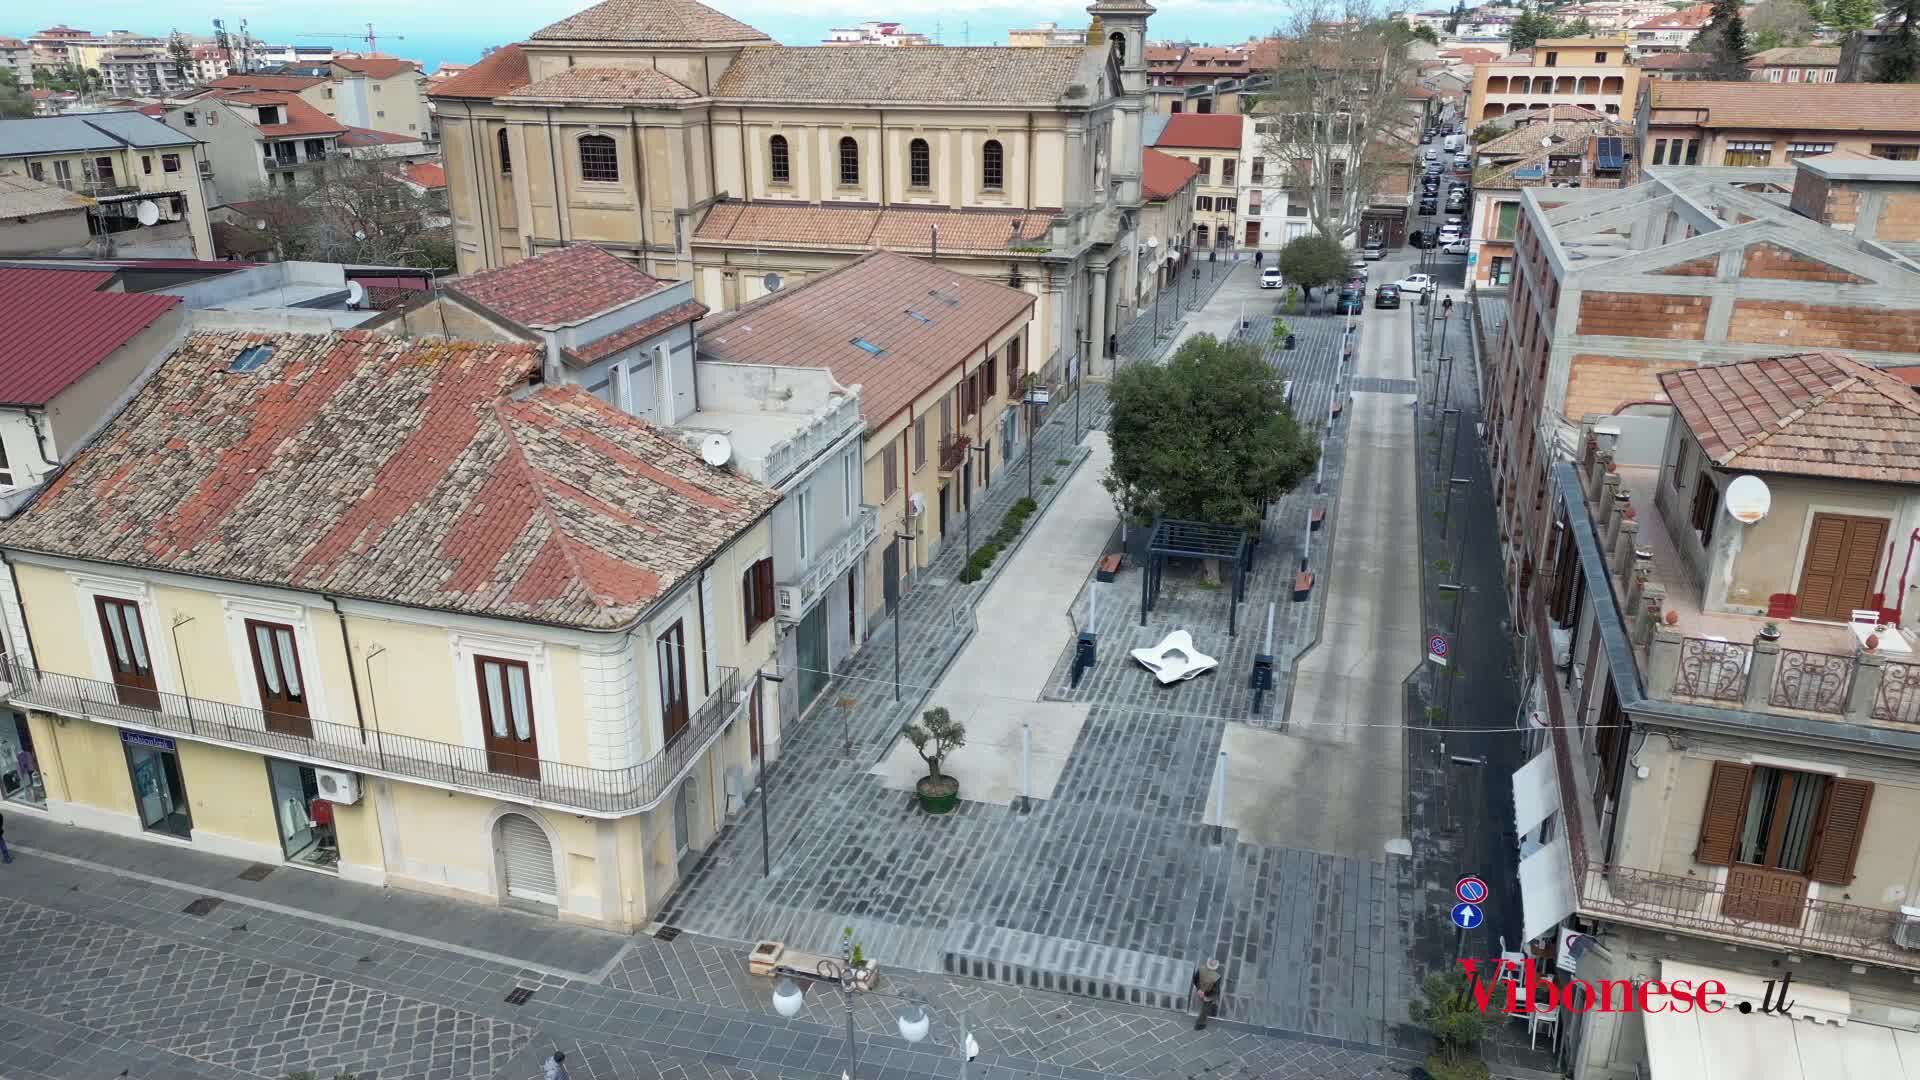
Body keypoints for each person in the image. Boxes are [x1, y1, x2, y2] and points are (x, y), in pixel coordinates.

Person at [1191, 958, 1221, 1029]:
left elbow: (1195, 980)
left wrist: (1199, 990)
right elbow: (1216, 990)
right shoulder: (1217, 977)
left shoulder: (1200, 969)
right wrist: (1210, 997)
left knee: (1205, 1004)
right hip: (1208, 994)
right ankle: (1200, 1024)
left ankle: (1212, 1008)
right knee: (1205, 1008)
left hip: (1200, 990)